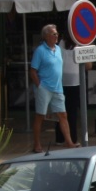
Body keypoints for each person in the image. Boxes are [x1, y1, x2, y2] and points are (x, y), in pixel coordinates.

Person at [29, 24, 77, 154]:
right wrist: (39, 85)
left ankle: (69, 142)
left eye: (57, 34)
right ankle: (37, 144)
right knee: (40, 116)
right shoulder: (40, 51)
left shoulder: (58, 49)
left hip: (57, 87)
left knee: (63, 114)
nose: (57, 36)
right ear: (46, 36)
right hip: (44, 87)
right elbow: (33, 71)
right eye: (53, 34)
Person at [55, 32, 84, 146]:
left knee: (61, 111)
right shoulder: (79, 45)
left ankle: (59, 138)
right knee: (72, 112)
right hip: (75, 80)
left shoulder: (59, 44)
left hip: (61, 80)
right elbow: (88, 66)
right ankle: (73, 138)